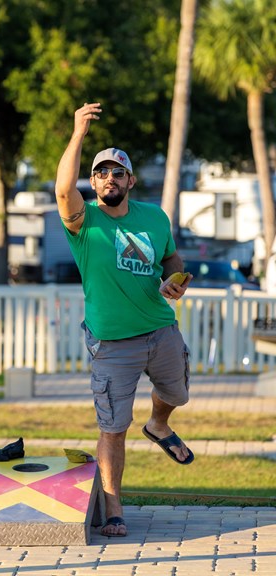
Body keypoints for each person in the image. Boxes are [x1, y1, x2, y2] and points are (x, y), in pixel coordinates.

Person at [55, 102, 194, 538]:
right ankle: (114, 510)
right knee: (113, 429)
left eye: (118, 173)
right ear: (92, 182)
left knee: (177, 393)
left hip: (160, 328)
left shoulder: (154, 217)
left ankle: (159, 424)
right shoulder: (84, 221)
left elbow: (171, 256)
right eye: (101, 173)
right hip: (112, 343)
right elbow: (62, 190)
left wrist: (175, 279)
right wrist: (78, 133)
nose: (109, 179)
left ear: (130, 180)